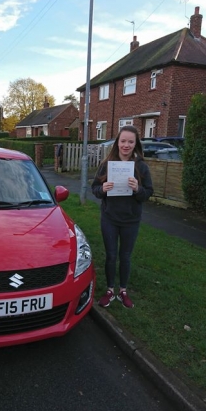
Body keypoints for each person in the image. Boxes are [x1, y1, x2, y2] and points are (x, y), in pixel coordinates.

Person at [91, 125, 153, 309]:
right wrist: (102, 189)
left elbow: (148, 193)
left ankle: (123, 291)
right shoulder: (106, 164)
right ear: (117, 142)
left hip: (131, 220)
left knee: (125, 256)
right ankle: (110, 290)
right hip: (109, 218)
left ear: (136, 144)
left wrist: (137, 189)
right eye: (123, 141)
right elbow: (95, 188)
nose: (126, 145)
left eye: (130, 142)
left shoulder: (141, 167)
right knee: (111, 256)